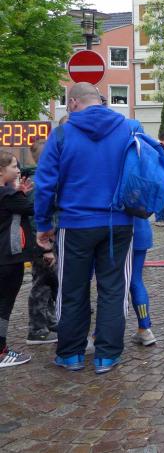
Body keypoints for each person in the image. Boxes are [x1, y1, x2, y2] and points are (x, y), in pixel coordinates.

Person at [35, 82, 138, 374]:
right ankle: (107, 355)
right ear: (100, 100)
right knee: (113, 289)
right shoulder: (129, 128)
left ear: (72, 103)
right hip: (118, 222)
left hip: (75, 223)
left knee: (72, 289)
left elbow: (45, 184)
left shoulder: (62, 134)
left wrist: (43, 225)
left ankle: (71, 355)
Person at [0, 151, 36, 367]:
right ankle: (1, 351)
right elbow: (33, 208)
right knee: (4, 305)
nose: (18, 170)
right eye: (14, 166)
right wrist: (20, 193)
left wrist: (17, 191)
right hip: (9, 258)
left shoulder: (8, 194)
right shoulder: (7, 195)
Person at [25, 139, 59, 345]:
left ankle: (50, 321)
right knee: (41, 285)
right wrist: (46, 248)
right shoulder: (39, 184)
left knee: (50, 283)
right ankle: (37, 329)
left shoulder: (45, 180)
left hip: (47, 242)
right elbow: (37, 218)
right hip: (43, 245)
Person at [129, 216, 157, 345]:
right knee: (136, 281)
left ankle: (99, 334)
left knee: (112, 284)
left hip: (121, 234)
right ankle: (144, 328)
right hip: (141, 230)